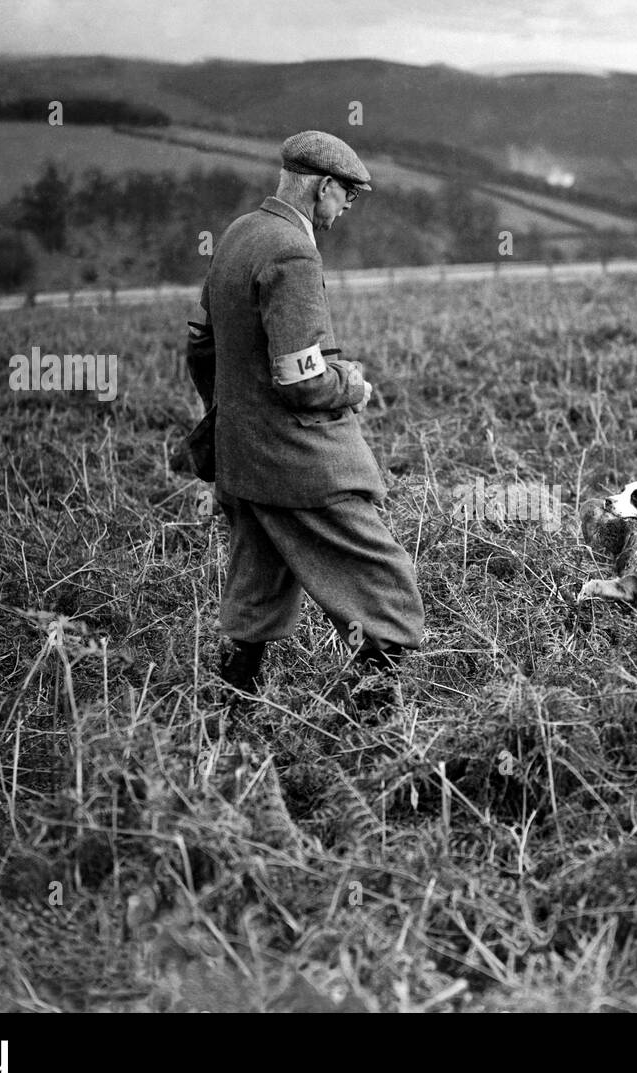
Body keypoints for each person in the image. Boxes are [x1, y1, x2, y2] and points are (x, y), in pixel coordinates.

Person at [198, 130, 424, 703]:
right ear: (323, 187)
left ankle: (232, 703)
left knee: (260, 578)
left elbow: (201, 344)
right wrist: (350, 384)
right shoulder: (291, 251)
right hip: (296, 460)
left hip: (242, 459)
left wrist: (229, 418)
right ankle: (372, 714)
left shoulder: (239, 234)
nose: (348, 206)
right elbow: (301, 381)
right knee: (384, 578)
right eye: (348, 194)